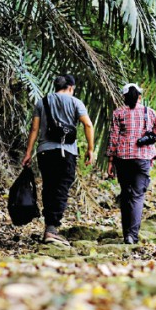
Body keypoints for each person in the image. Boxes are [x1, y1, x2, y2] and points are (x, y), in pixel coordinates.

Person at [22, 74, 96, 245]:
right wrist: (90, 149)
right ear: (70, 87)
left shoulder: (42, 102)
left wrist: (28, 152)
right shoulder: (75, 102)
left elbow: (34, 129)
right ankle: (51, 230)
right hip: (66, 152)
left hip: (44, 152)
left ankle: (49, 227)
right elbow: (88, 124)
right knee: (61, 189)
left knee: (49, 186)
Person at [106, 83, 156, 245]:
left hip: (123, 158)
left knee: (126, 194)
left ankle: (126, 233)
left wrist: (110, 161)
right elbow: (153, 135)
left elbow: (114, 138)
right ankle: (131, 236)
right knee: (137, 196)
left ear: (124, 97)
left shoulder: (118, 113)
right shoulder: (150, 113)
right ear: (140, 96)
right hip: (142, 158)